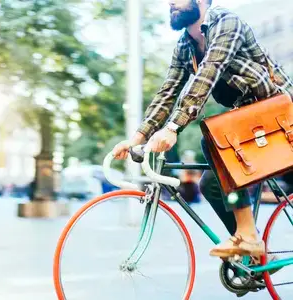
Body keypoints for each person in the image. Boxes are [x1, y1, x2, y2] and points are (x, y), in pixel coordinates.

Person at [113, 0, 293, 259]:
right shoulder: (184, 47)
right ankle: (252, 252)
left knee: (212, 141)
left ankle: (249, 237)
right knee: (212, 184)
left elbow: (209, 73)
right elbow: (168, 92)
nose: (171, 2)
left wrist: (173, 127)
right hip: (248, 120)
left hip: (279, 115)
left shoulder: (226, 22)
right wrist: (136, 138)